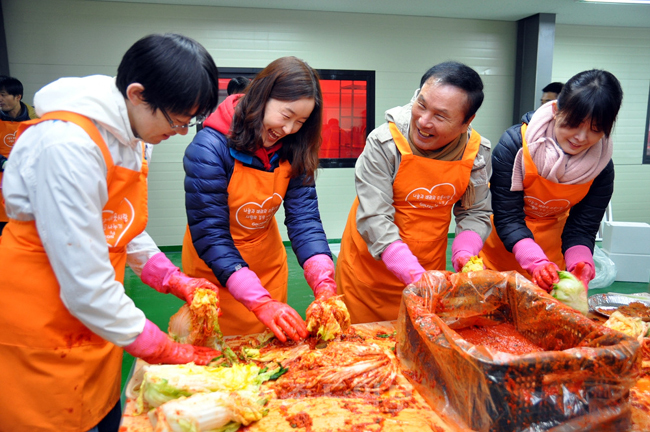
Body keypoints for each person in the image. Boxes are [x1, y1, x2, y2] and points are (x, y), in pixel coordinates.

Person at [0, 33, 222, 432]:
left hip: (96, 316)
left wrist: (169, 277)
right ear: (137, 94)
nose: (180, 131)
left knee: (102, 414)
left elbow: (120, 223)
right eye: (176, 120)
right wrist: (163, 348)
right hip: (44, 320)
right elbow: (84, 282)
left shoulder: (133, 134)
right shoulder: (66, 144)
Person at [183, 56, 336, 342]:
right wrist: (260, 302)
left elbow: (305, 219)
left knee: (267, 358)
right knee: (221, 359)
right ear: (262, 97)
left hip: (266, 267)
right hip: (215, 269)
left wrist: (323, 280)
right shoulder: (210, 147)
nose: (289, 129)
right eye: (286, 115)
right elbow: (211, 234)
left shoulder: (293, 148)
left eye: (300, 122)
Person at [335, 61, 492, 324]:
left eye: (440, 116)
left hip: (428, 270)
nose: (424, 121)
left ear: (467, 122)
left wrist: (465, 251)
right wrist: (413, 274)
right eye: (421, 104)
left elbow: (475, 211)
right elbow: (374, 217)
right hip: (368, 276)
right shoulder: (385, 143)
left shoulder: (476, 154)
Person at [480, 70, 623, 292]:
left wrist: (581, 261)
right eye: (573, 124)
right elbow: (507, 216)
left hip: (551, 266)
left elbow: (582, 228)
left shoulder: (601, 167)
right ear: (556, 111)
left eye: (595, 130)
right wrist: (535, 261)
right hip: (499, 257)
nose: (581, 138)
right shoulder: (515, 145)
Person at [0, 75, 38, 234]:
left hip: (27, 181)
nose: (0, 99)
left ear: (18, 97)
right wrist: (4, 163)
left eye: (3, 94)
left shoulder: (36, 119)